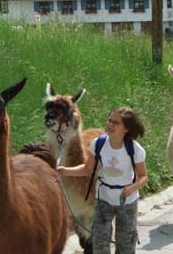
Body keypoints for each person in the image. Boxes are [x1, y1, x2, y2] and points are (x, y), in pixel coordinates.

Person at [58, 107, 148, 254]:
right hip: (103, 199)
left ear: (126, 128)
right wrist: (65, 171)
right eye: (109, 120)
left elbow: (143, 176)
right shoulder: (98, 144)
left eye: (116, 123)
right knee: (99, 244)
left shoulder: (135, 150)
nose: (110, 124)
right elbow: (88, 169)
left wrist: (132, 188)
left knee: (125, 246)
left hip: (126, 202)